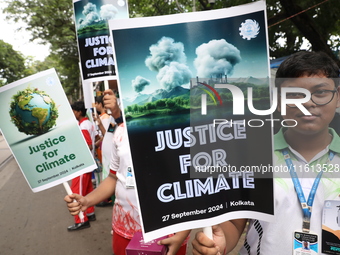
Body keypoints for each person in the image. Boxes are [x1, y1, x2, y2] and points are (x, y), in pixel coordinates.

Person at [192, 51, 340, 255]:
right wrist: (219, 242)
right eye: (295, 94)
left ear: (338, 97)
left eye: (320, 92)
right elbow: (235, 223)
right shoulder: (253, 154)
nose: (307, 102)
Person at [65, 90, 190, 255]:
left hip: (170, 230)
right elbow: (112, 178)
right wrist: (87, 200)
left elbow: (196, 189)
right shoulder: (121, 132)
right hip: (124, 230)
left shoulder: (183, 133)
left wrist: (182, 234)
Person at [68, 101, 96, 231]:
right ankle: (90, 213)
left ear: (78, 112)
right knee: (87, 189)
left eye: (73, 111)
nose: (72, 114)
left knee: (76, 192)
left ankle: (81, 220)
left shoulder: (83, 125)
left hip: (82, 163)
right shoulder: (88, 123)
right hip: (89, 163)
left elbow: (88, 144)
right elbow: (94, 139)